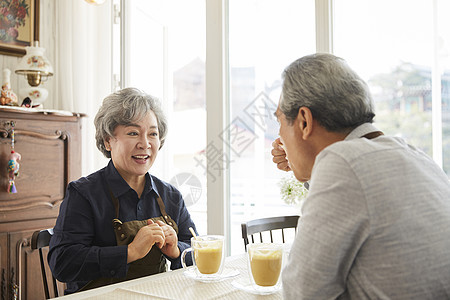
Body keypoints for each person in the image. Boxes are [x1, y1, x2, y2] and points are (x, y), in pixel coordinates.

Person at [272, 53, 450, 299]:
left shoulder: (342, 164)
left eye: (279, 121)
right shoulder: (417, 157)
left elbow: (301, 292)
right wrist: (309, 170)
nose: (279, 137)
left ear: (304, 121)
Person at [48, 87, 197, 294]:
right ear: (108, 141)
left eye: (153, 134)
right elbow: (62, 263)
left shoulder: (170, 195)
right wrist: (130, 252)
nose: (145, 144)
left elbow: (197, 251)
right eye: (133, 133)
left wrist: (175, 250)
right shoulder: (83, 194)